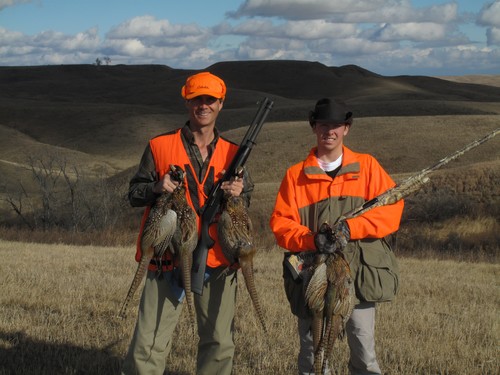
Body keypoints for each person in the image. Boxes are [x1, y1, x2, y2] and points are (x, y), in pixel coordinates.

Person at [122, 72, 253, 375]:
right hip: (167, 257)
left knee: (219, 343)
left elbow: (248, 198)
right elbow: (133, 193)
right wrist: (157, 187)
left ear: (221, 104)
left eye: (210, 99)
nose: (203, 105)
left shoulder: (235, 153)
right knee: (148, 343)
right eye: (197, 99)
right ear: (187, 101)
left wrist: (239, 193)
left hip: (218, 260)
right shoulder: (159, 146)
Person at [269, 98, 404, 375]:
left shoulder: (367, 167)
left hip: (358, 275)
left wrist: (352, 229)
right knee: (314, 355)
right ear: (314, 127)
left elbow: (392, 210)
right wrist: (310, 240)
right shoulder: (295, 176)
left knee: (364, 353)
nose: (329, 131)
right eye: (323, 124)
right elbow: (281, 224)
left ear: (346, 129)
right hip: (313, 277)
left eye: (336, 125)